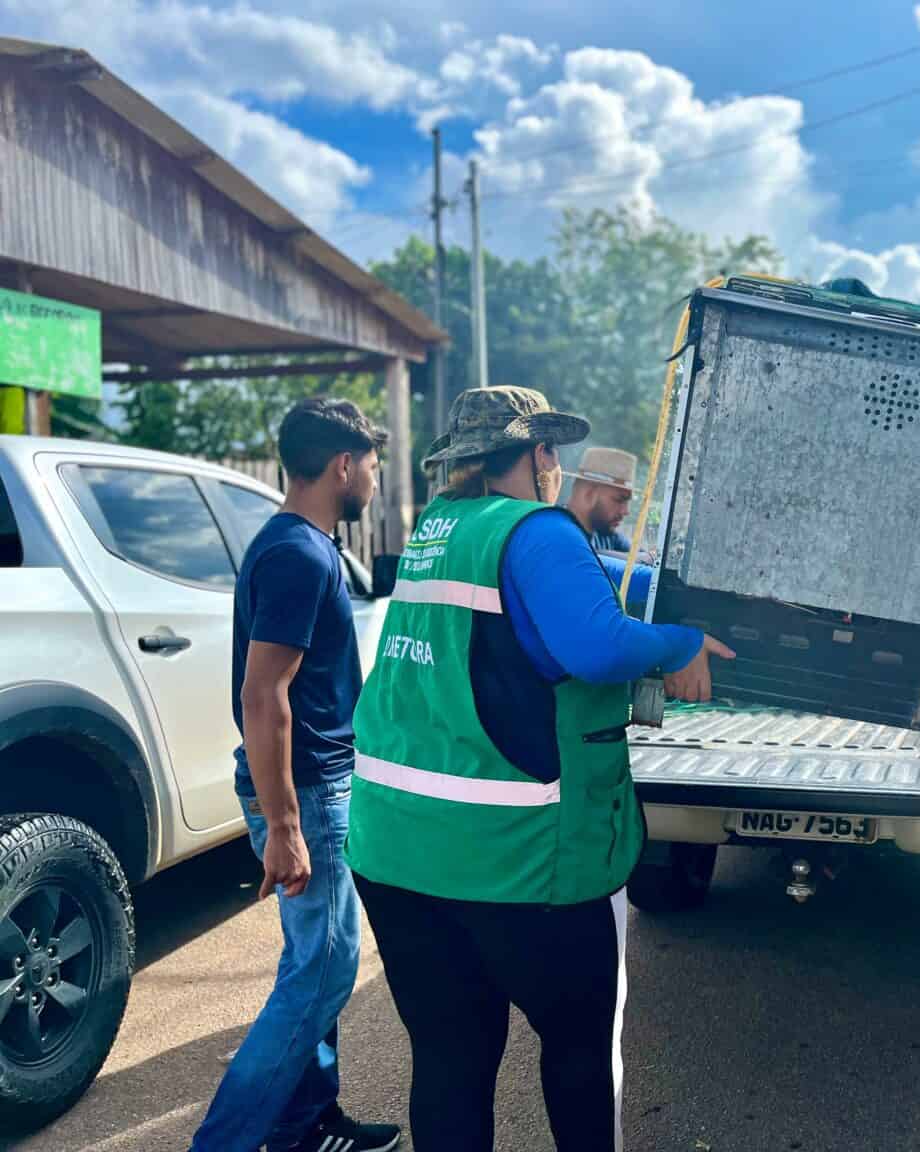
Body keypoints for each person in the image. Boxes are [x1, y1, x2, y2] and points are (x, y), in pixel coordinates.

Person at [346, 386, 733, 1152]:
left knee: (452, 1055)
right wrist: (679, 642)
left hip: (394, 849)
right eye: (548, 449)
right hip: (512, 857)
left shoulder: (437, 528)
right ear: (536, 456)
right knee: (577, 1048)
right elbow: (594, 646)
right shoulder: (537, 530)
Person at [191, 399, 399, 1152]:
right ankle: (224, 1143)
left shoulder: (298, 546)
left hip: (312, 786)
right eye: (372, 463)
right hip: (306, 793)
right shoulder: (298, 555)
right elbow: (263, 692)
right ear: (343, 465)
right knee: (322, 973)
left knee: (312, 964)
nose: (376, 476)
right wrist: (283, 826)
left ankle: (304, 1123)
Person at [568, 444, 648, 559]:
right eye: (619, 500)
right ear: (588, 493)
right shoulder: (558, 527)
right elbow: (576, 552)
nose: (625, 511)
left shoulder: (608, 537)